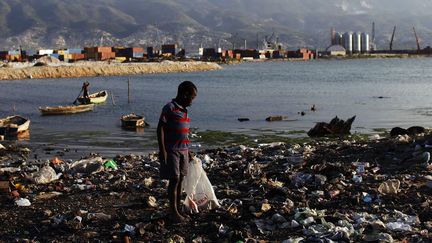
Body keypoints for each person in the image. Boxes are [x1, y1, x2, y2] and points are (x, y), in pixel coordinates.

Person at [157, 81, 197, 223]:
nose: (192, 101)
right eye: (192, 98)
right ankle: (173, 211)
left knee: (180, 178)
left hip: (183, 150)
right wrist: (162, 150)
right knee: (174, 179)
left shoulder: (184, 110)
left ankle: (178, 209)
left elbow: (184, 133)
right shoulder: (169, 108)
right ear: (184, 95)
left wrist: (189, 151)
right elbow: (160, 128)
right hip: (172, 149)